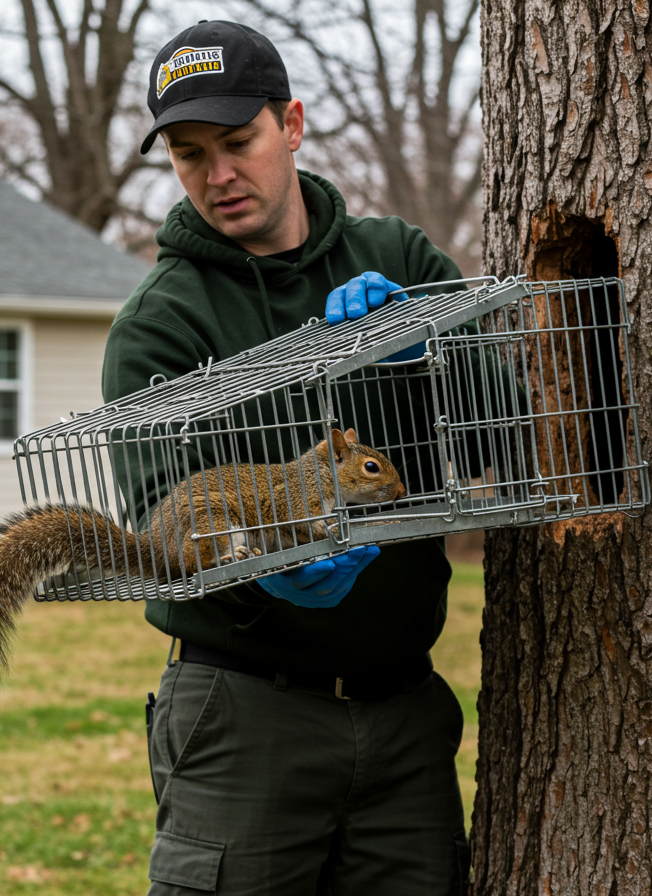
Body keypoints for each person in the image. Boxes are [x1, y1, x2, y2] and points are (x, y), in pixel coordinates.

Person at [100, 20, 470, 896]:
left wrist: (426, 349)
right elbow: (164, 522)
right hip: (245, 714)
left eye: (238, 142)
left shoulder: (399, 258)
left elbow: (505, 431)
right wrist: (266, 580)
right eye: (190, 155)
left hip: (404, 710)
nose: (218, 175)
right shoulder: (160, 323)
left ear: (291, 125)